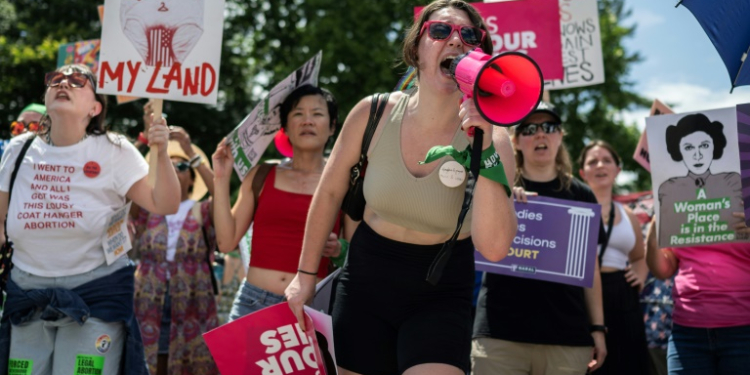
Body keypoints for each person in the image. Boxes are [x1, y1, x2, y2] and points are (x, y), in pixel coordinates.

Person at [285, 2, 517, 374]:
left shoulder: (495, 137)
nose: (456, 41)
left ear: (479, 54)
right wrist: (304, 276)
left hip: (441, 292)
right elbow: (328, 194)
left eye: (469, 35)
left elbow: (494, 246)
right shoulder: (372, 114)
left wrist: (485, 147)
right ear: (417, 49)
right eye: (441, 31)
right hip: (366, 283)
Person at [0, 64, 180, 374]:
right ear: (46, 96)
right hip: (27, 293)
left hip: (96, 292)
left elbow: (165, 203)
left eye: (77, 80)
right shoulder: (18, 150)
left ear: (95, 107)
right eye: (56, 79)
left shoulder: (114, 150)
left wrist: (161, 151)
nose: (64, 83)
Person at [472, 102, 607, 375]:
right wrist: (506, 199)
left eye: (549, 127)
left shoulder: (582, 195)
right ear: (516, 141)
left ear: (560, 136)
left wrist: (598, 329)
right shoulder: (496, 185)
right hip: (500, 337)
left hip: (566, 340)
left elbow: (590, 268)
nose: (540, 134)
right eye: (530, 128)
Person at [213, 84, 348, 321]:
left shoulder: (346, 182)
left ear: (332, 126)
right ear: (284, 127)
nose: (307, 121)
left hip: (312, 307)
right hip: (252, 304)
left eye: (317, 114)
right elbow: (225, 242)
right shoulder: (261, 175)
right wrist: (221, 178)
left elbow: (359, 254)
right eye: (298, 114)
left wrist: (339, 250)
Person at [131, 125, 218, 375]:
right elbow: (126, 196)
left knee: (190, 361)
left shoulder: (203, 210)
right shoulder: (147, 208)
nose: (176, 171)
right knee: (149, 358)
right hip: (148, 295)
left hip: (194, 295)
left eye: (182, 167)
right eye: (169, 165)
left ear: (192, 177)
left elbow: (220, 192)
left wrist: (190, 150)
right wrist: (152, 150)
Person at [578, 140, 649, 374]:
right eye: (593, 161)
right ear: (582, 172)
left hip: (624, 298)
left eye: (607, 160)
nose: (600, 165)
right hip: (583, 297)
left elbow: (639, 256)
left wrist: (639, 273)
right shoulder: (571, 206)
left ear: (618, 170)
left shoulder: (627, 214)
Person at [646, 214, 750, 374]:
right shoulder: (680, 194)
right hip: (688, 334)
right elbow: (662, 269)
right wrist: (655, 229)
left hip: (743, 331)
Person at [658, 113, 746, 245]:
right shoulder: (668, 189)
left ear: (714, 146)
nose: (697, 155)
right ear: (679, 150)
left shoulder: (733, 181)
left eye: (704, 146)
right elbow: (665, 250)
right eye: (689, 148)